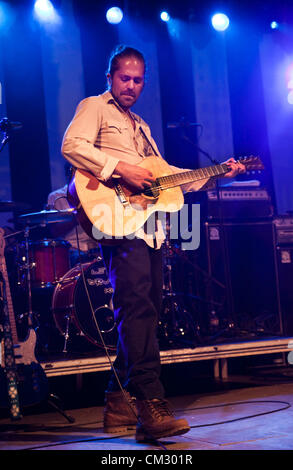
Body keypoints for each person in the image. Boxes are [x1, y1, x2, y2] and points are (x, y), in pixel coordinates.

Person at [61, 45, 245, 443]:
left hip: (146, 225)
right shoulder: (95, 106)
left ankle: (117, 402)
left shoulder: (141, 125)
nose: (131, 85)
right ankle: (151, 402)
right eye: (124, 77)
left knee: (148, 309)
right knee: (137, 306)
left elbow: (169, 176)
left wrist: (219, 175)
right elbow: (72, 145)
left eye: (138, 79)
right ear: (110, 76)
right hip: (114, 217)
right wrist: (120, 167)